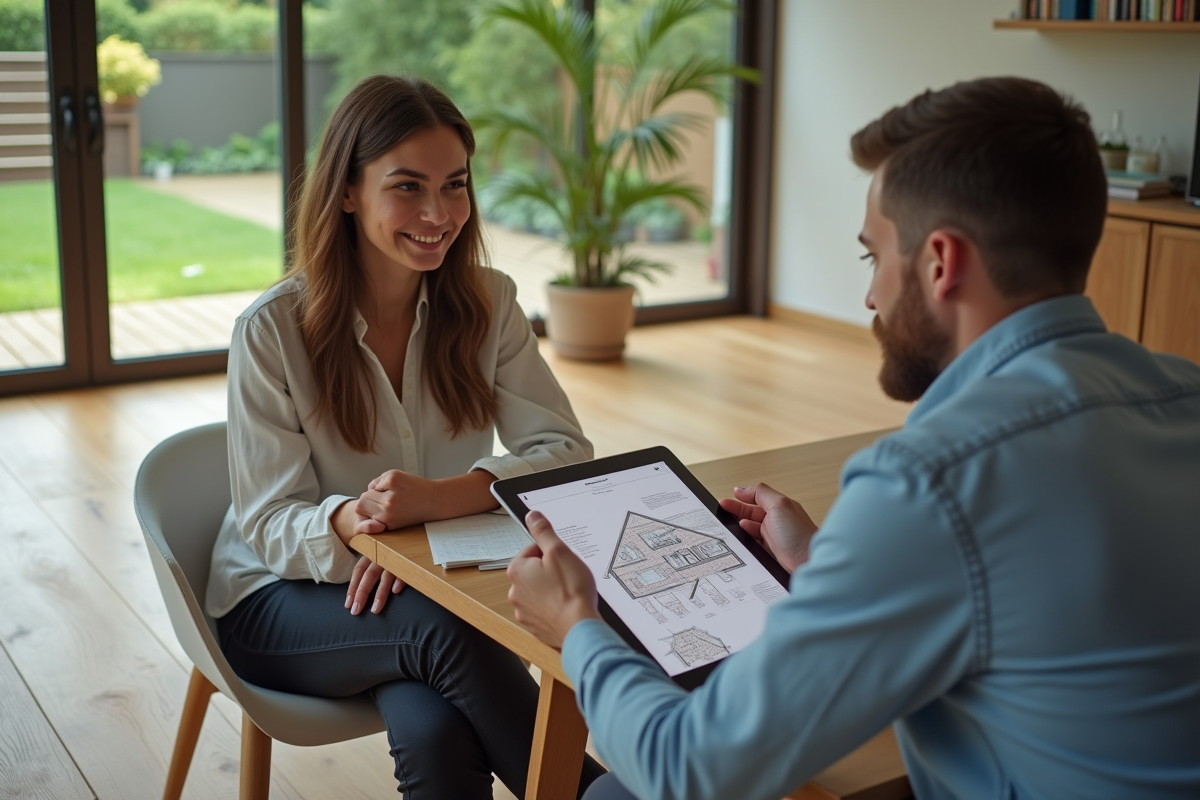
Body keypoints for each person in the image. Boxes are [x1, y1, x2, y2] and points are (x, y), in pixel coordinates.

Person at [506, 76, 1200, 800]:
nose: (869, 297)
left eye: (874, 257)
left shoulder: (934, 479)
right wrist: (823, 564)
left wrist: (578, 625)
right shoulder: (1186, 394)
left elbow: (689, 769)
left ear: (940, 262)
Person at [204, 75, 604, 799]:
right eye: (407, 187)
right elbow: (269, 522)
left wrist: (438, 501)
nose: (438, 214)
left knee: (433, 728)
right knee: (447, 629)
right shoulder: (271, 330)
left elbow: (567, 455)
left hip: (421, 593)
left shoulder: (489, 302)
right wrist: (365, 526)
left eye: (455, 185)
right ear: (347, 191)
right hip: (275, 600)